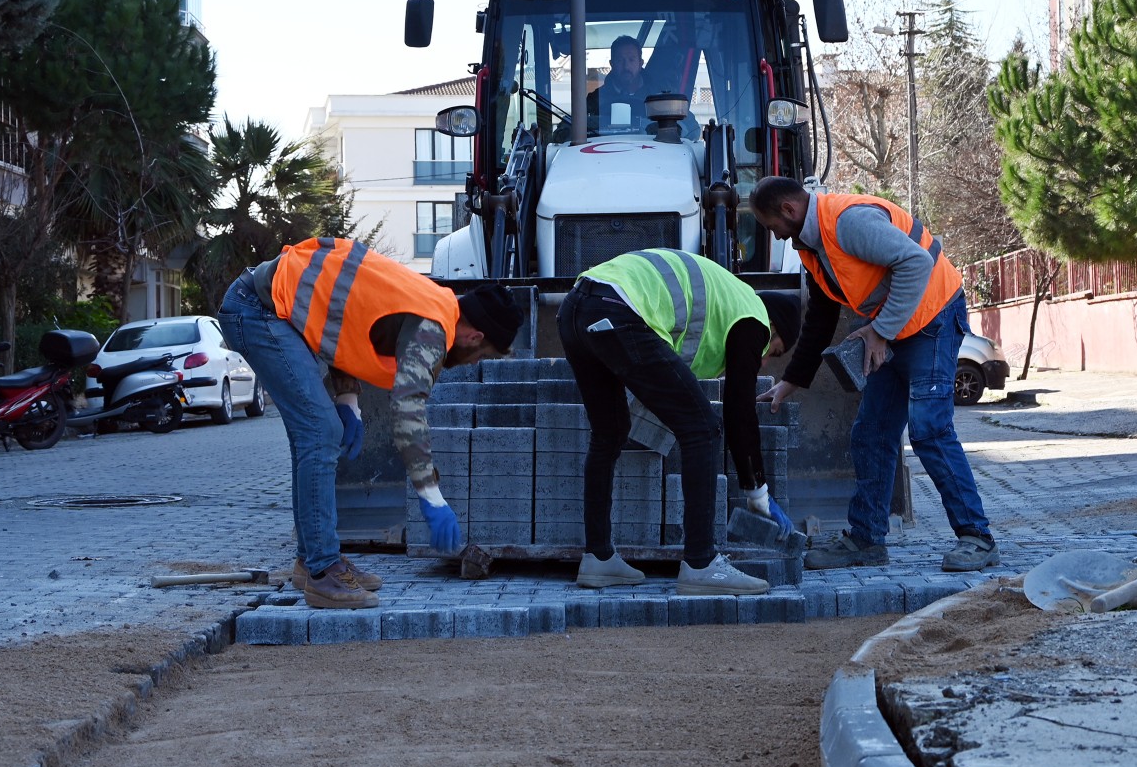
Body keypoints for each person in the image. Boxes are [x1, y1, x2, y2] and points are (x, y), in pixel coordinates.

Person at [218, 237, 522, 609]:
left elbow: (342, 320)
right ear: (476, 336)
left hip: (269, 306)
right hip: (258, 310)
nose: (475, 362)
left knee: (315, 433)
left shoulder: (435, 300)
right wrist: (431, 496)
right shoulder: (433, 329)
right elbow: (409, 412)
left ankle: (311, 559)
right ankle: (322, 571)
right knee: (319, 431)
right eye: (483, 355)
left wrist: (349, 401)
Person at [747, 177, 998, 573]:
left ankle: (977, 537)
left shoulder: (848, 223)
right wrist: (792, 380)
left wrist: (879, 332)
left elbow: (915, 262)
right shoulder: (813, 245)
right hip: (894, 327)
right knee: (871, 433)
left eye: (769, 225)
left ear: (788, 211)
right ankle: (866, 539)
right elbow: (822, 315)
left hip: (932, 318)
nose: (773, 236)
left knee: (929, 428)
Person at [558, 248, 803, 594]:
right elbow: (739, 411)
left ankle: (598, 557)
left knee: (610, 432)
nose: (764, 362)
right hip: (618, 309)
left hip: (575, 308)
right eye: (774, 351)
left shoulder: (728, 299)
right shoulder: (754, 318)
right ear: (773, 327)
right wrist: (757, 490)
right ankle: (701, 564)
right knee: (702, 428)